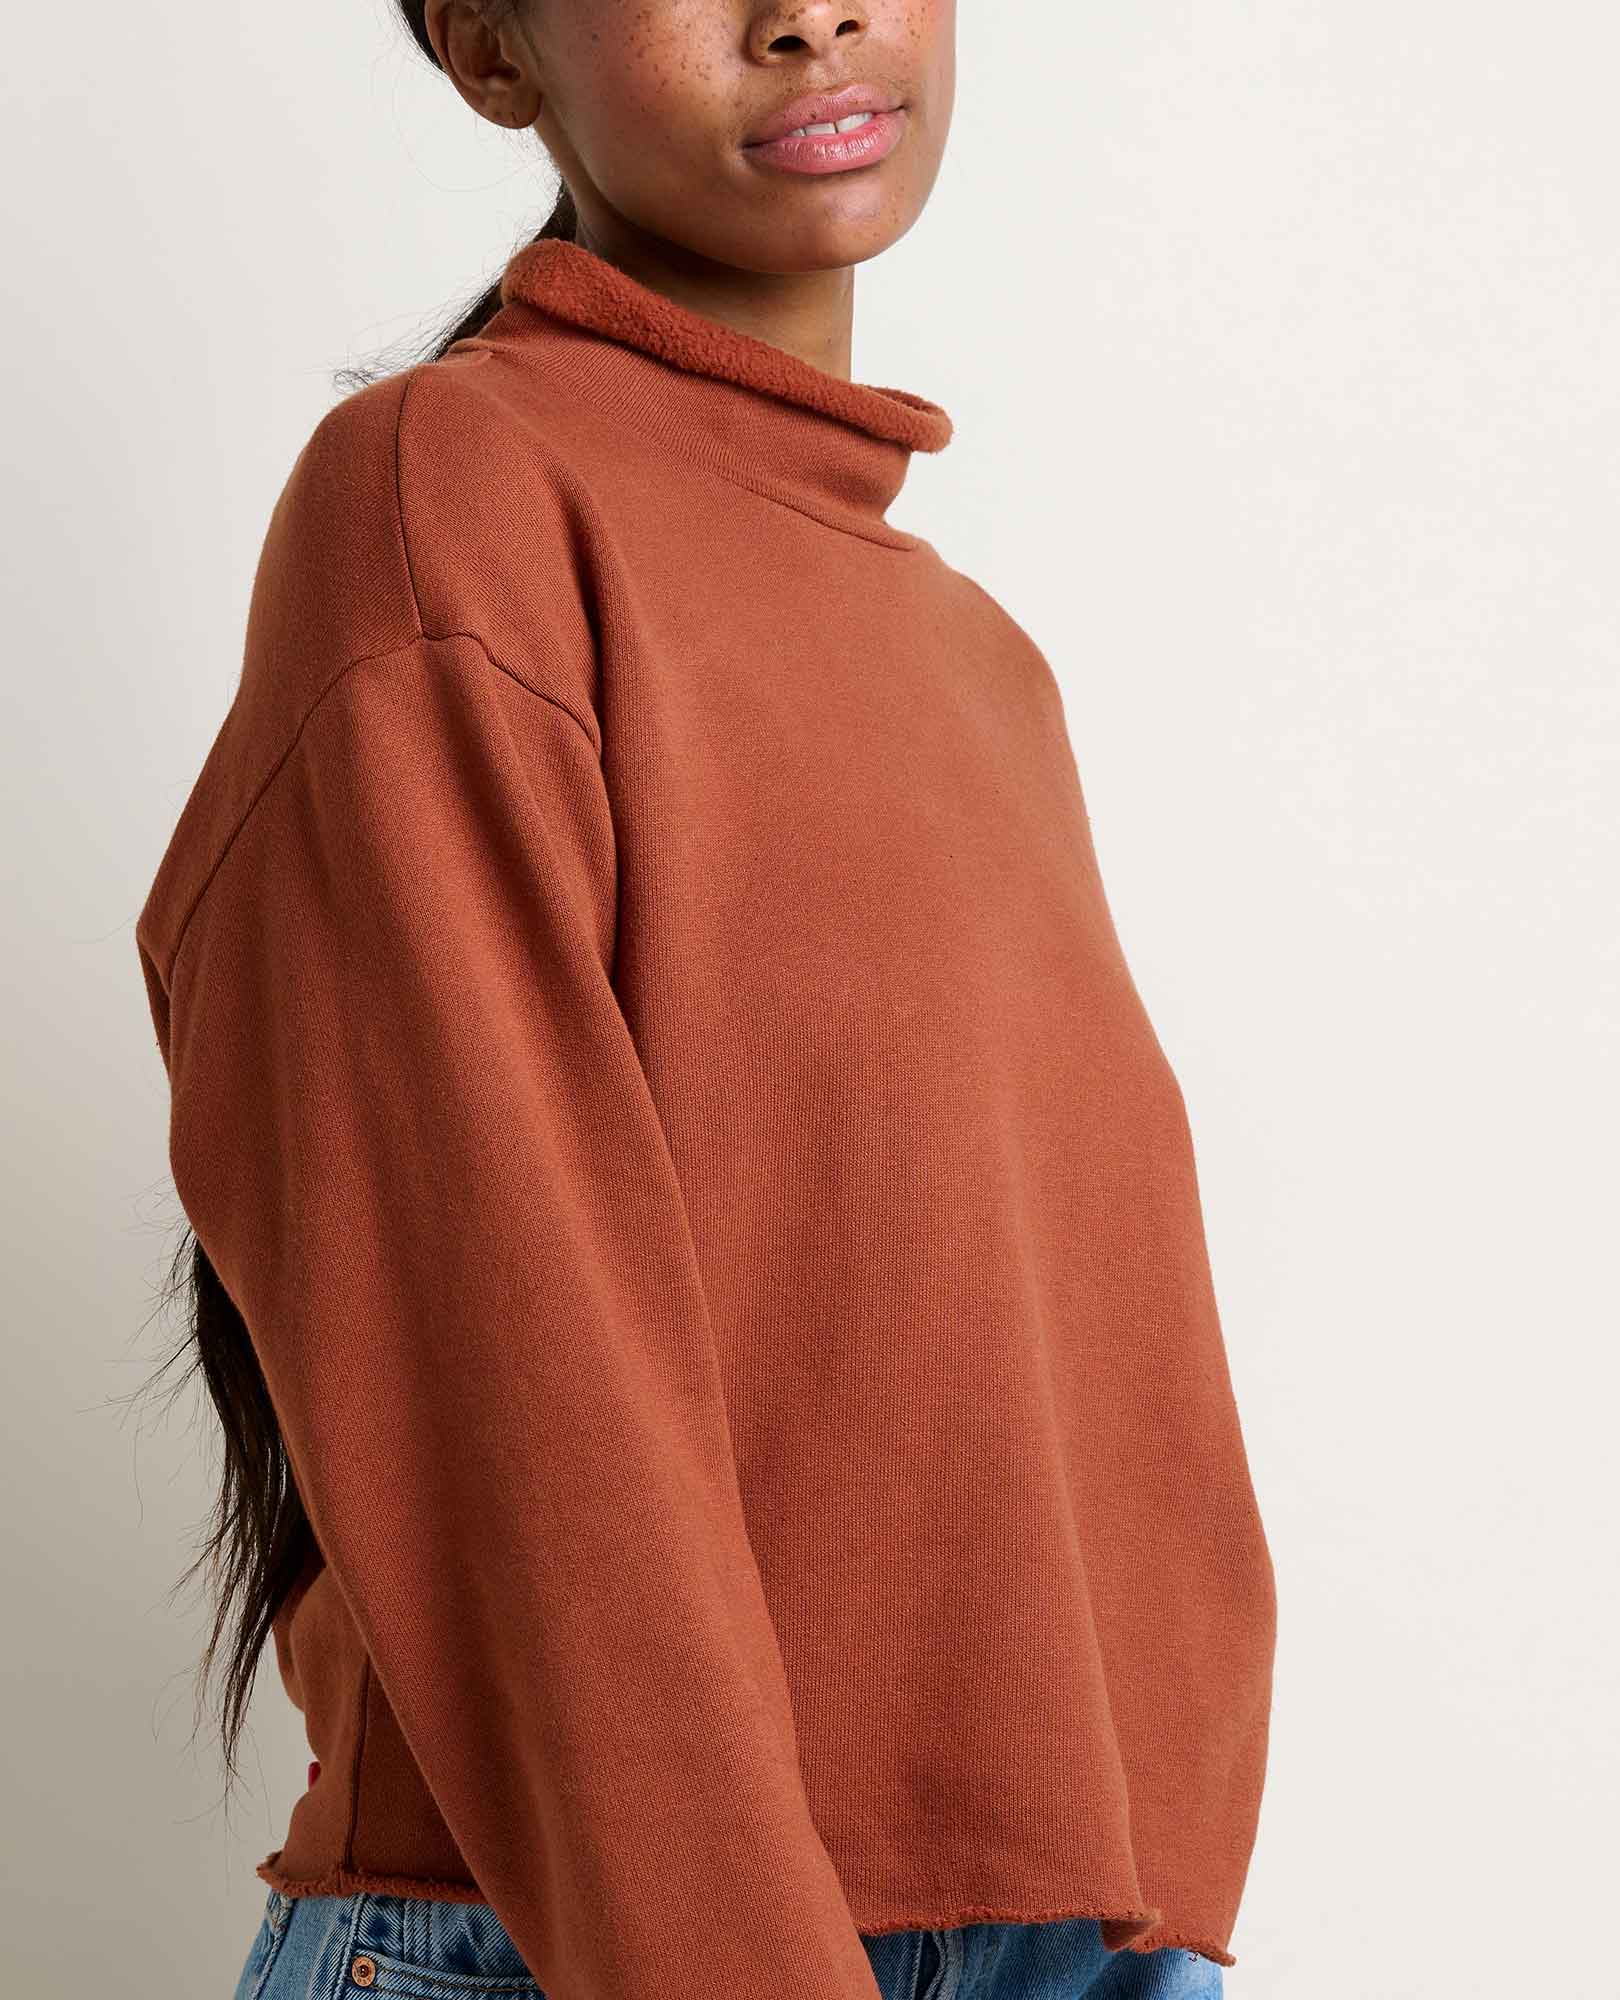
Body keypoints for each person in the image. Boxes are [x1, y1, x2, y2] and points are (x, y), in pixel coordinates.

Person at [133, 5, 1277, 2000]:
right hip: (598, 1946)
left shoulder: (978, 660)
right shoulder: (448, 493)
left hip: (1060, 1936)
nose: (807, 13)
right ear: (491, 51)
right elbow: (505, 1349)